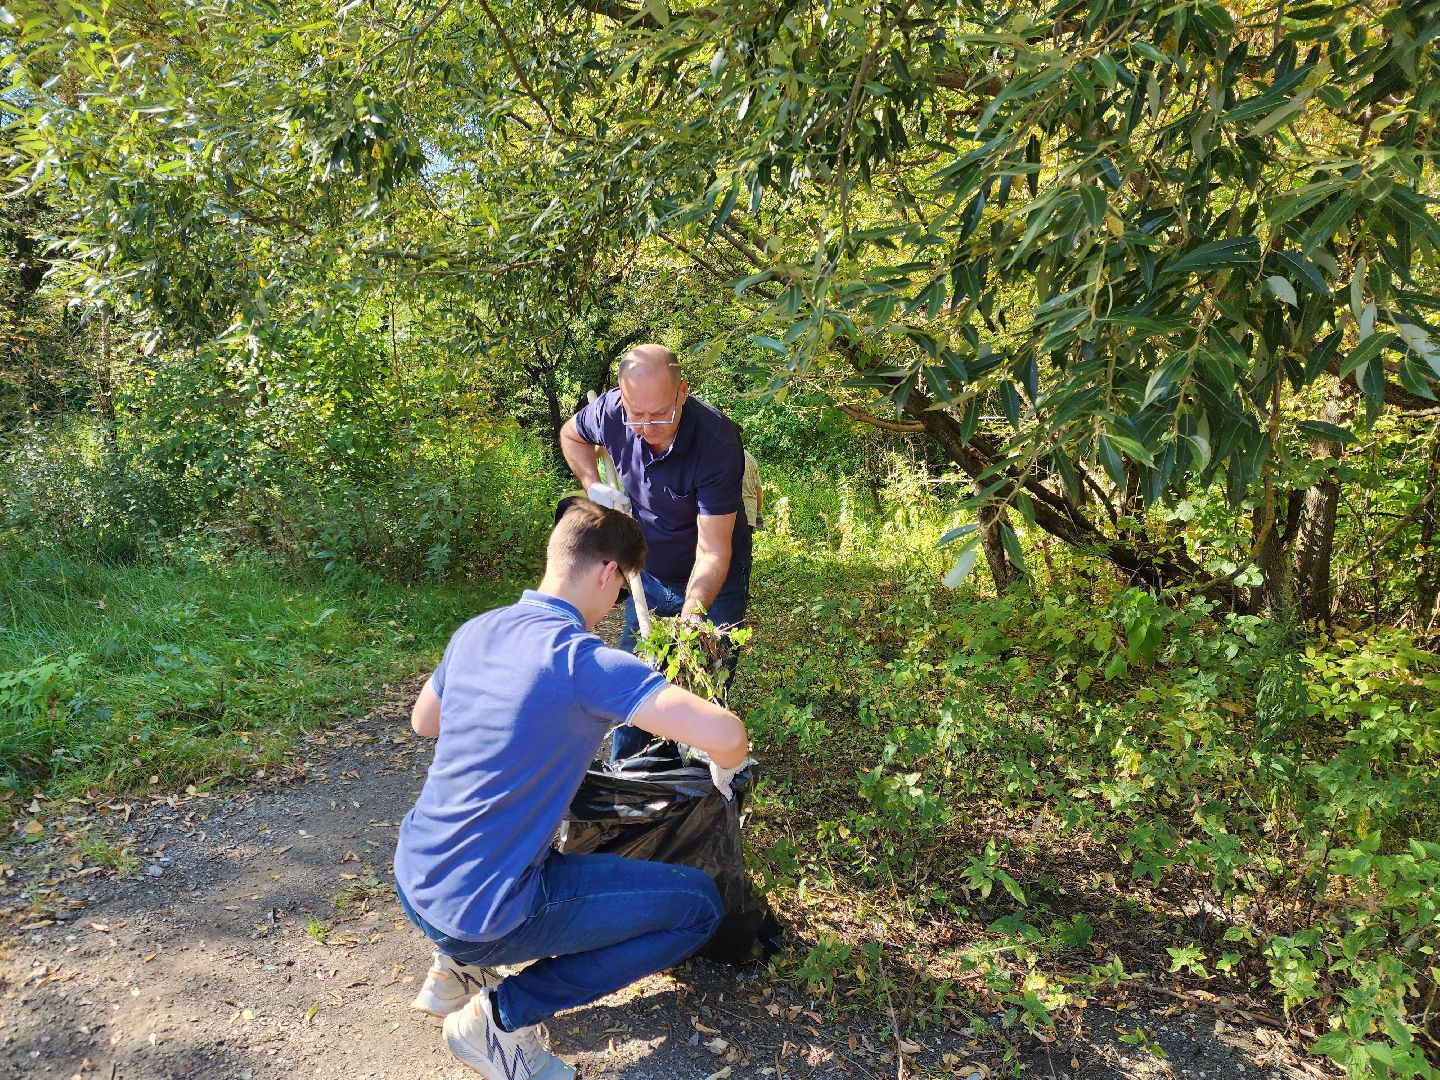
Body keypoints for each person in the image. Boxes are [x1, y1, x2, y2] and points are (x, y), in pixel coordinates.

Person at [394, 499, 749, 1080]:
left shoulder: (477, 630)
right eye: (618, 589)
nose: (611, 606)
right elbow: (725, 732)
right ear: (609, 572)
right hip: (486, 911)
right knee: (696, 906)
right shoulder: (585, 661)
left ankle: (456, 968)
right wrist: (726, 768)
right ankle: (499, 1018)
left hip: (416, 878)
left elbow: (424, 721)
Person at [559, 344, 752, 758]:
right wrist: (593, 483)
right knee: (637, 681)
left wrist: (690, 621)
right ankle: (626, 777)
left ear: (683, 390)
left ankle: (696, 784)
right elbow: (571, 435)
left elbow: (713, 551)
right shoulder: (612, 411)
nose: (646, 426)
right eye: (637, 414)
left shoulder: (717, 441)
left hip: (715, 579)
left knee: (702, 687)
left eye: (660, 413)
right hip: (649, 569)